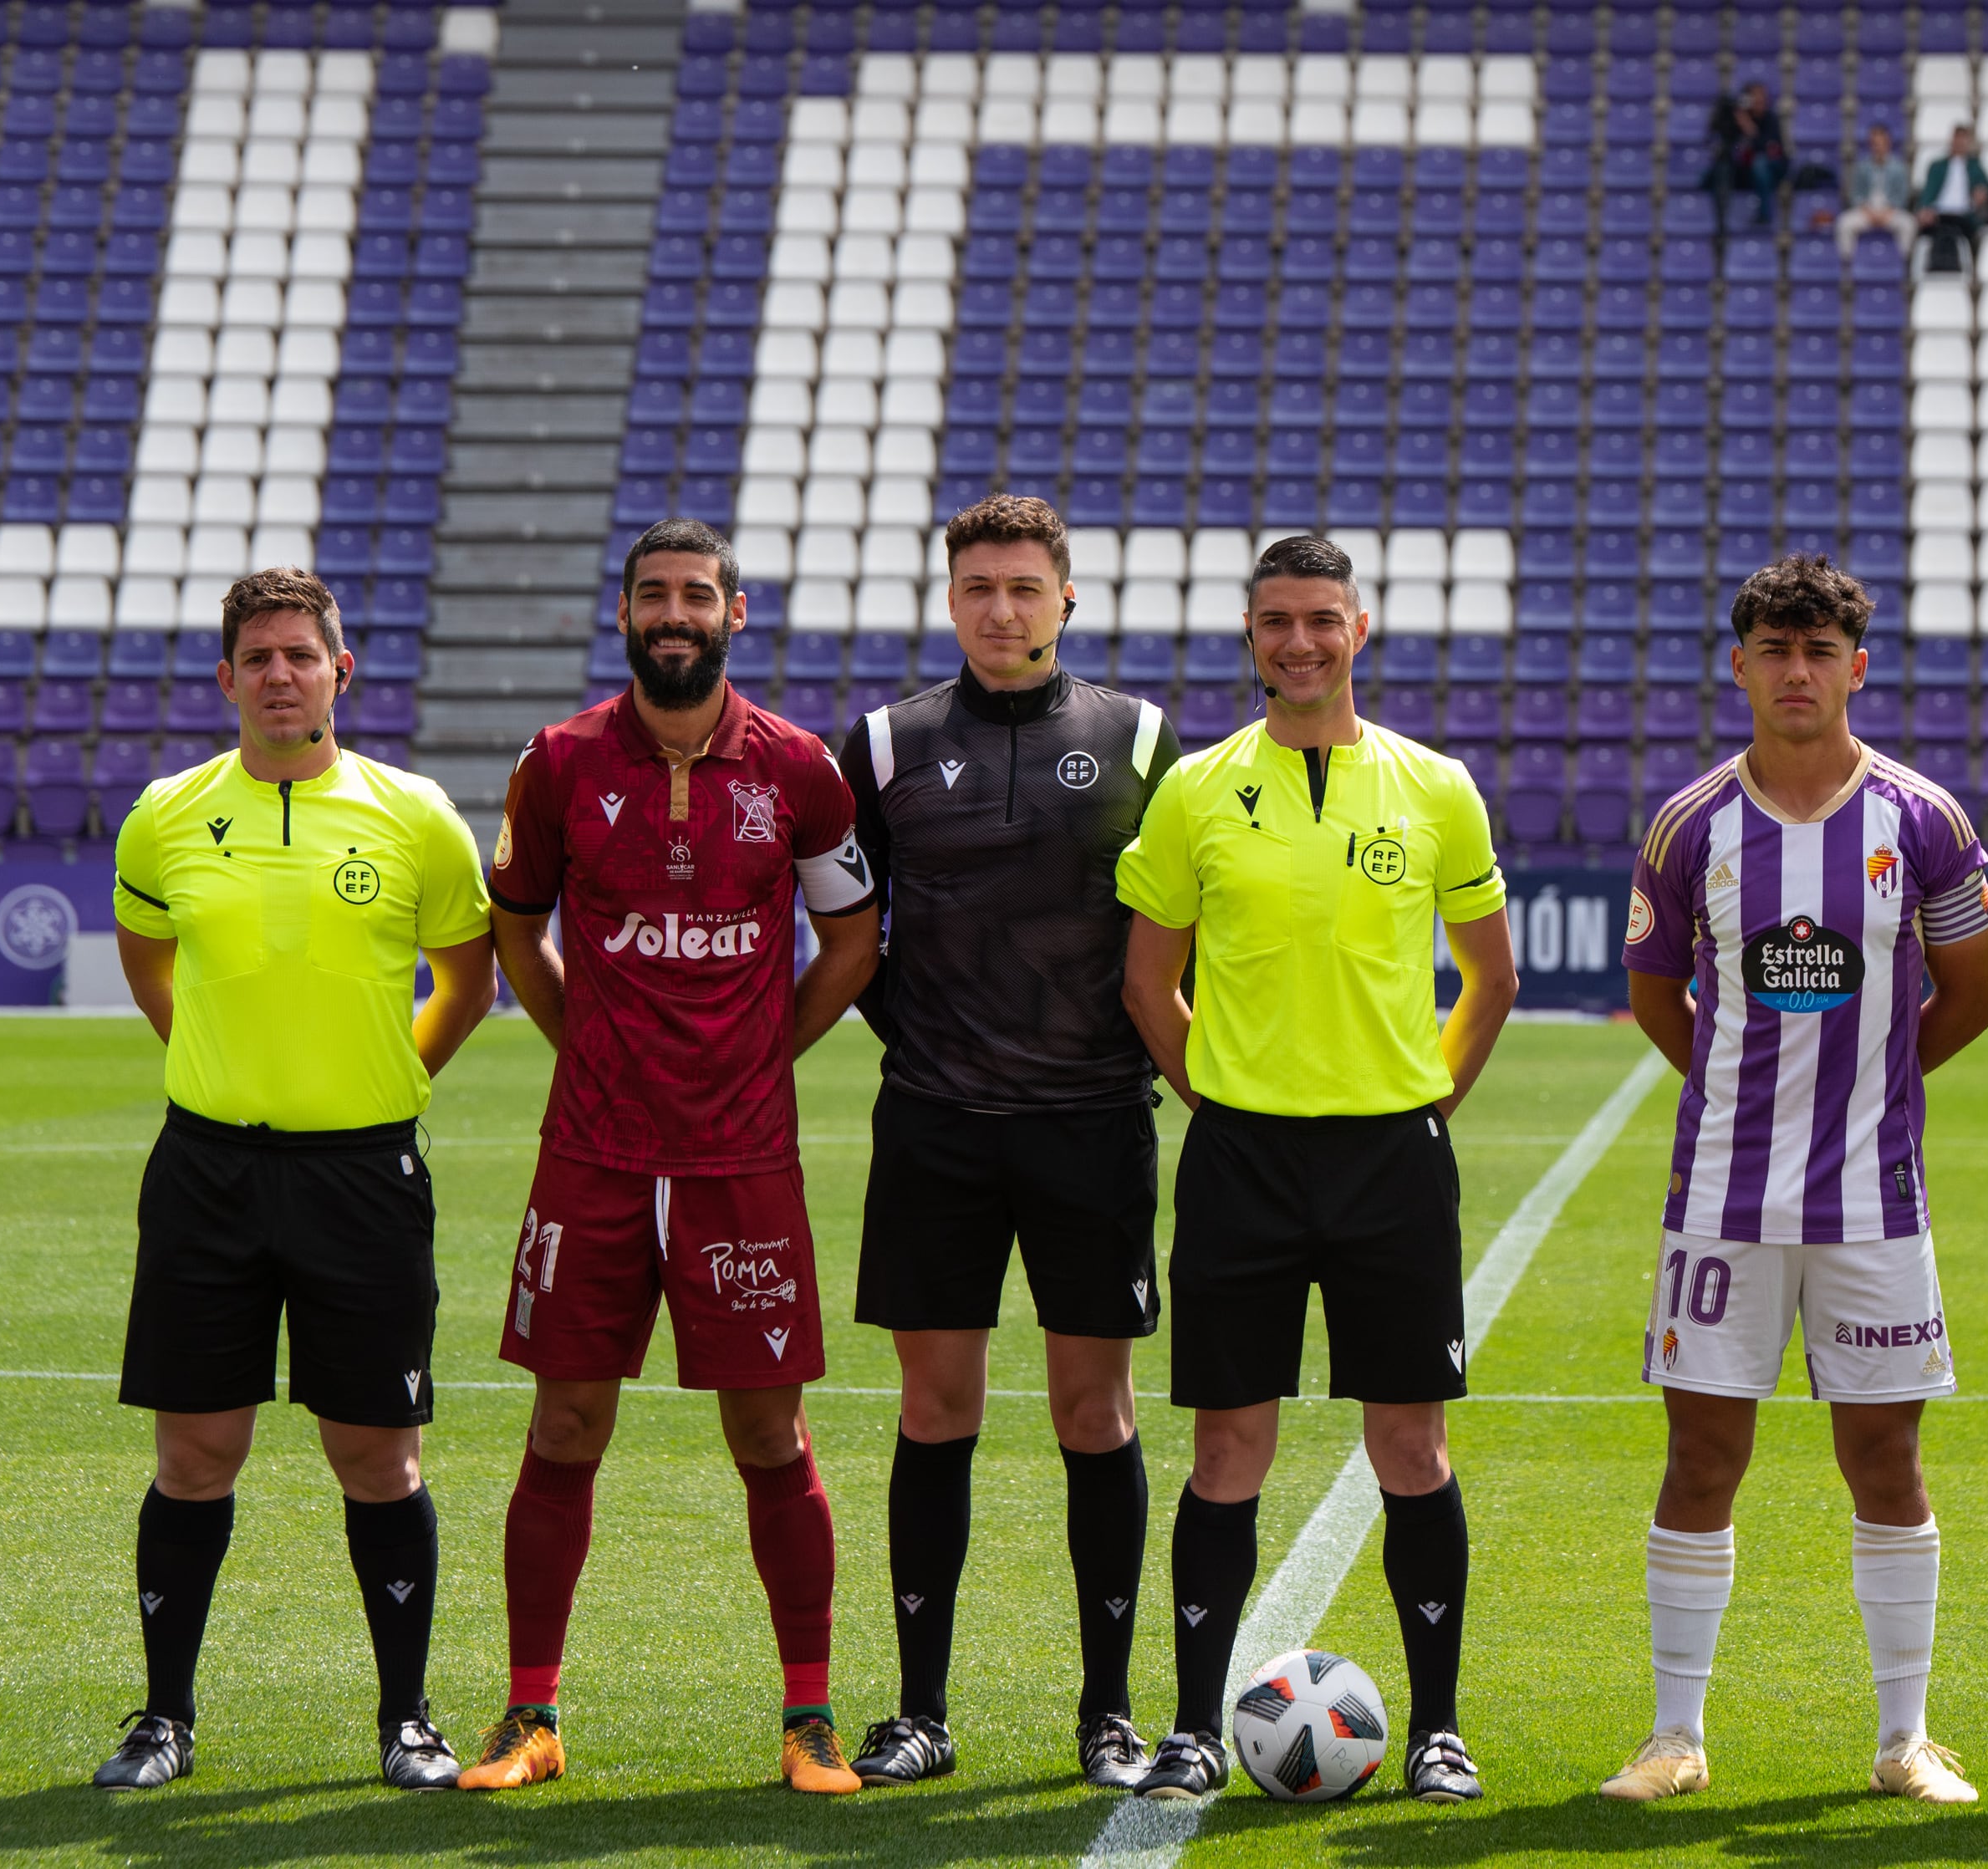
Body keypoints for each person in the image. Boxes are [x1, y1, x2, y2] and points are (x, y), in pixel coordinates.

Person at [460, 518, 884, 1795]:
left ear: (734, 614)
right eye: (654, 595)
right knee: (569, 1420)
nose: (674, 613)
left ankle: (809, 1719)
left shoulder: (802, 771)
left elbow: (854, 944)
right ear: (628, 614)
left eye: (697, 595)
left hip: (739, 1158)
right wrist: (583, 1040)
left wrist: (762, 1055)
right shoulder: (563, 762)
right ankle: (531, 1715)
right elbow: (514, 929)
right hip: (590, 1154)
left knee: (769, 1432)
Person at [1115, 534, 1519, 1804]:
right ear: (1251, 636)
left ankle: (1440, 1729)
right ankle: (1188, 1727)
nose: (1301, 641)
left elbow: (1489, 977)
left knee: (1413, 1446)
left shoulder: (1437, 786)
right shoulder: (1191, 790)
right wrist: (1225, 1100)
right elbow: (1148, 979)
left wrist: (1418, 1107)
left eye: (1322, 620)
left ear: (1361, 629)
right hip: (1244, 1160)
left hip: (1393, 1158)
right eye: (1278, 621)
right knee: (1229, 1447)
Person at [1598, 556, 1988, 1809]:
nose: (1797, 672)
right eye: (1774, 650)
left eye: (1820, 651)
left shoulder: (1924, 822)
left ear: (1857, 668)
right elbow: (1658, 997)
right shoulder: (1692, 825)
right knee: (1702, 1456)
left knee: (1886, 1458)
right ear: (1741, 666)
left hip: (1875, 1202)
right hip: (1722, 1197)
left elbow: (1973, 993)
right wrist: (1740, 1089)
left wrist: (1872, 1091)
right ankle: (1673, 1737)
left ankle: (1906, 1741)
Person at [98, 568, 497, 1790]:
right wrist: (227, 1071)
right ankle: (165, 1717)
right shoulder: (165, 813)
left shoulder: (414, 813)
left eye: (300, 656)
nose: (281, 675)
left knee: (378, 1458)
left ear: (341, 672)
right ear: (227, 679)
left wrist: (386, 1079)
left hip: (363, 1177)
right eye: (258, 658)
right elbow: (148, 959)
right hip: (208, 1172)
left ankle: (407, 1720)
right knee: (194, 1454)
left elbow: (468, 983)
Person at [835, 493, 1182, 1793]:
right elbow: (850, 935)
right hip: (936, 1125)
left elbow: (1171, 933)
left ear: (1068, 597)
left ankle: (1108, 1714)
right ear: (950, 599)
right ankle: (921, 1711)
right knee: (938, 1408)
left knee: (1095, 1413)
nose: (1001, 608)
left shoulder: (1142, 739)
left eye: (1024, 587)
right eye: (978, 586)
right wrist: (917, 1032)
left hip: (1093, 1125)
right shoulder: (883, 742)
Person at [1704, 82, 1789, 233]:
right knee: (1721, 169)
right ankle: (1720, 222)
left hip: (1773, 168)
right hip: (1746, 169)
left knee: (1760, 163)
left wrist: (1748, 127)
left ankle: (1765, 214)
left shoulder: (1771, 119)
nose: (1759, 102)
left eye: (1762, 98)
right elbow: (1729, 145)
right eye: (1755, 98)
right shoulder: (1739, 118)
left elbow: (1768, 148)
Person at [1915, 124, 1988, 272]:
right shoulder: (1937, 166)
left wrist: (1982, 193)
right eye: (1958, 139)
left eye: (1964, 140)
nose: (1960, 143)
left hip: (1964, 215)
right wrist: (1924, 209)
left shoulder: (1975, 166)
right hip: (1939, 213)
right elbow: (1928, 192)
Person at [1837, 121, 1912, 261]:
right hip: (1867, 211)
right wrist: (1868, 211)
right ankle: (1848, 264)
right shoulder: (1862, 167)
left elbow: (1902, 197)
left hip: (1890, 211)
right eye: (1874, 144)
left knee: (1908, 224)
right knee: (1844, 223)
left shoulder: (1899, 168)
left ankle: (1901, 264)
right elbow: (1855, 195)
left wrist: (1888, 212)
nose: (1877, 147)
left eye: (1880, 143)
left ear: (1887, 143)